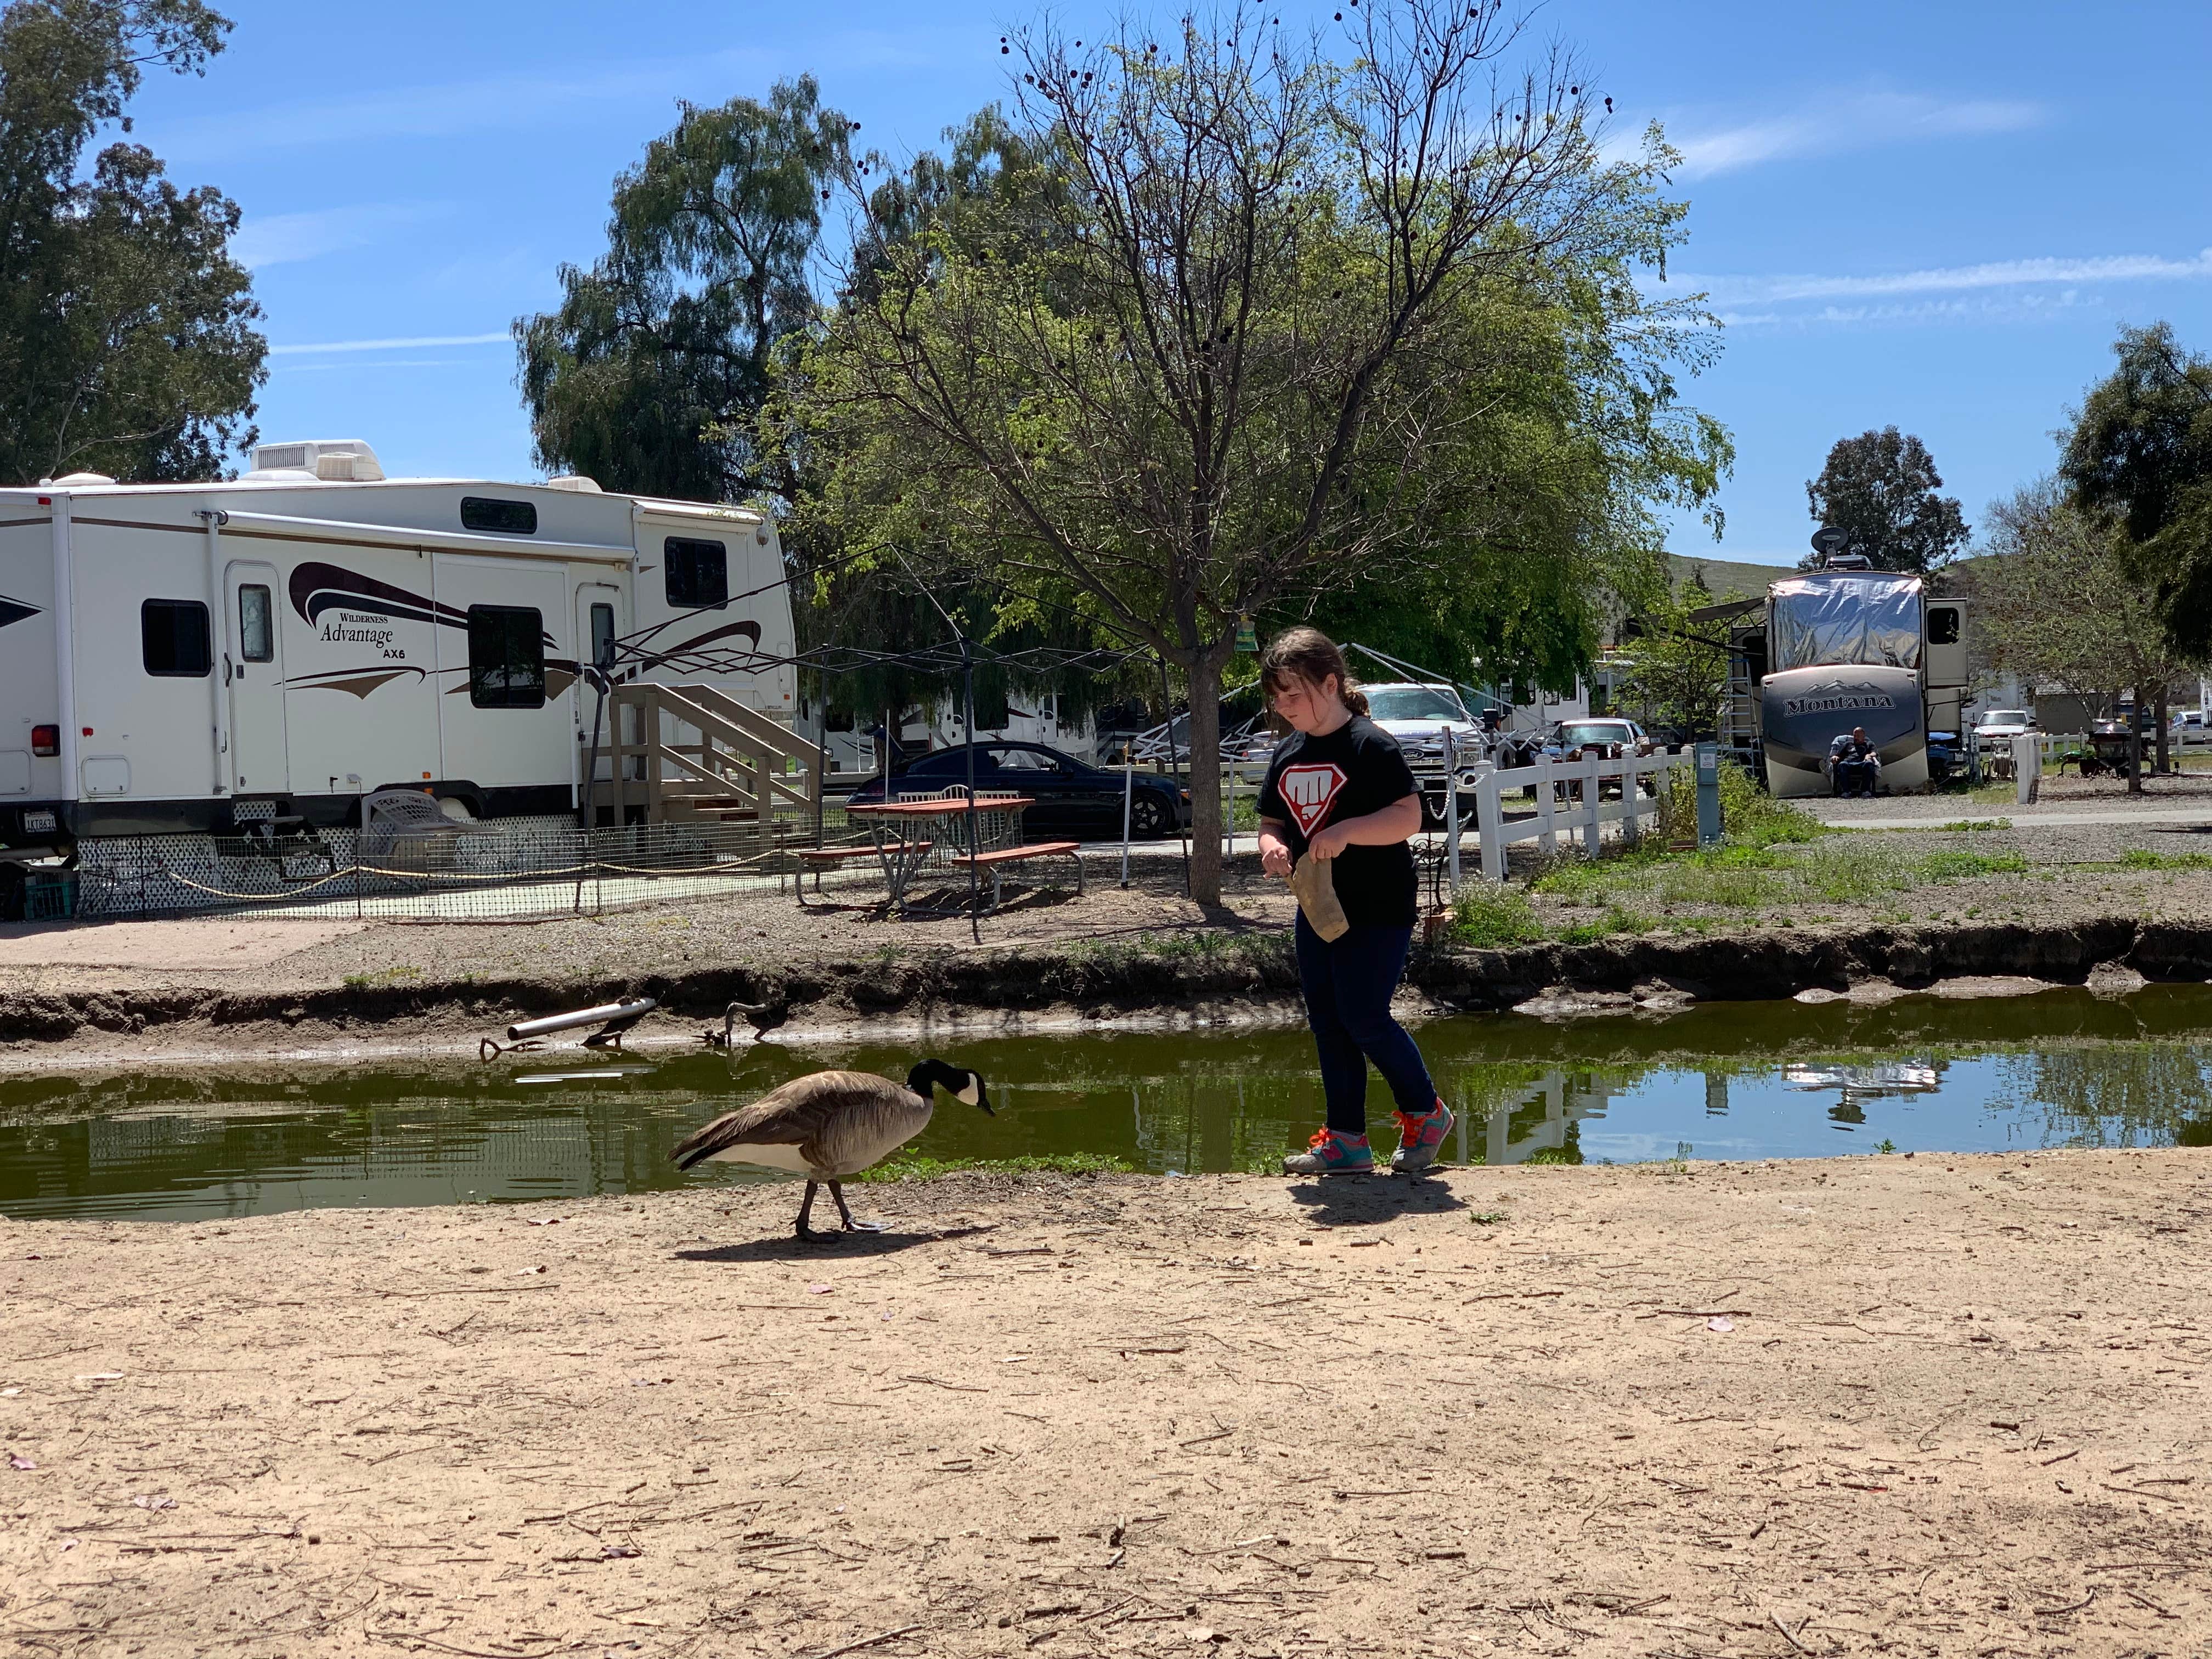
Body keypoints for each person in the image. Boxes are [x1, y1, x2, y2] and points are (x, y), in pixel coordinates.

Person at [1255, 628, 1453, 1177]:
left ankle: (1427, 1114)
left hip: (1379, 906)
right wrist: (1271, 847)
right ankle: (1346, 1142)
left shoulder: (1372, 746)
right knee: (1328, 1022)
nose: (1283, 705)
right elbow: (1272, 822)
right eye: (1277, 696)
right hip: (1317, 907)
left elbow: (1408, 818)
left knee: (1364, 1018)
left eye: (1293, 693)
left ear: (1331, 683)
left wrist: (1347, 832)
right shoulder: (1287, 753)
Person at [1830, 727, 1880, 798]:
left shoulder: (1869, 744)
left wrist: (1869, 755)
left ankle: (1865, 791)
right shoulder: (1848, 744)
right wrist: (1835, 757)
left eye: (1858, 736)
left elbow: (1874, 753)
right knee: (1842, 764)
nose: (1856, 738)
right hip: (1849, 763)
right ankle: (1846, 791)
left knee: (1869, 764)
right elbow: (1839, 755)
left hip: (1862, 763)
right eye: (1855, 736)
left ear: (1863, 736)